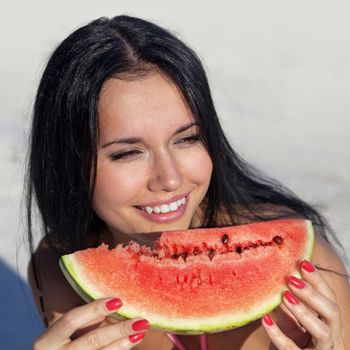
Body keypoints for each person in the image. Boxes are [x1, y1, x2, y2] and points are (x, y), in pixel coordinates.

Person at [26, 15, 350, 350]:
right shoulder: (58, 269)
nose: (170, 178)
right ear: (69, 162)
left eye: (187, 139)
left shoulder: (305, 275)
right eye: (127, 153)